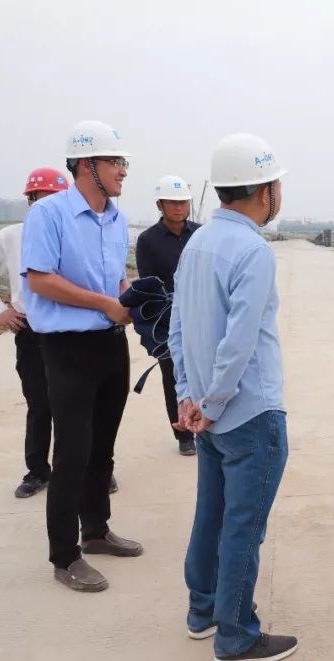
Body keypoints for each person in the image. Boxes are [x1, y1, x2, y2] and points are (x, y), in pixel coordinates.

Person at [170, 133, 297, 661]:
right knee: (243, 527)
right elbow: (240, 343)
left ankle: (202, 612)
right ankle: (237, 636)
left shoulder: (197, 244)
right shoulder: (252, 251)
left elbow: (177, 328)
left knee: (211, 517)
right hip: (248, 414)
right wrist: (215, 402)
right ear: (265, 190)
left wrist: (188, 396)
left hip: (208, 414)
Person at [20, 120, 142, 592]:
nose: (123, 171)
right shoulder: (48, 214)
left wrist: (131, 297)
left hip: (111, 343)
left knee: (102, 447)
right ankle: (64, 556)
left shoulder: (116, 219)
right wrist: (104, 303)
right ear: (87, 165)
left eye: (123, 162)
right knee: (72, 451)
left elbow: (114, 279)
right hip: (68, 348)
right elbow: (39, 279)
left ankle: (95, 530)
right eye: (115, 162)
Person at [0, 168, 68, 498]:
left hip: (71, 329)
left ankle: (87, 468)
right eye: (42, 199)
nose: (49, 207)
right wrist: (0, 310)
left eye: (57, 200)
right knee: (39, 403)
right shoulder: (12, 237)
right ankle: (37, 471)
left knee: (78, 404)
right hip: (32, 330)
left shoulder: (76, 235)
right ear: (30, 201)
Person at [135, 175, 200, 456]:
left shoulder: (201, 234)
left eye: (183, 202)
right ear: (160, 205)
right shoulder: (147, 240)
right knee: (173, 375)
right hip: (167, 318)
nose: (179, 207)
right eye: (173, 202)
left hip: (201, 314)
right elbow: (148, 284)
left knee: (204, 371)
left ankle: (206, 424)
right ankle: (183, 434)